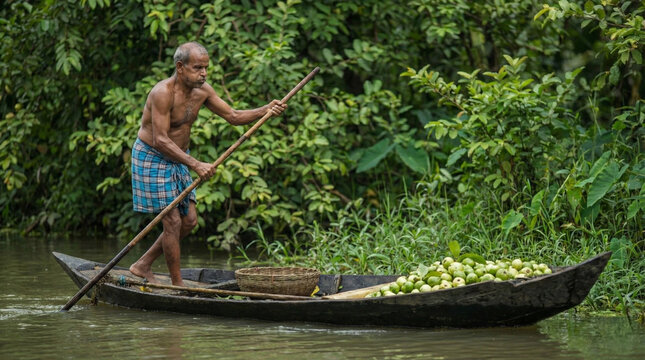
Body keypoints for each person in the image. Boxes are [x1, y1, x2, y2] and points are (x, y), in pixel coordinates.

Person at [129, 41, 287, 286]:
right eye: (197, 68)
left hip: (180, 156)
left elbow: (233, 116)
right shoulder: (162, 93)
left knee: (189, 221)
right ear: (180, 67)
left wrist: (265, 110)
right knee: (172, 221)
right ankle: (178, 285)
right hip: (154, 156)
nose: (203, 73)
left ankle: (142, 265)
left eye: (205, 68)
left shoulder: (203, 90)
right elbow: (160, 139)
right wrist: (195, 164)